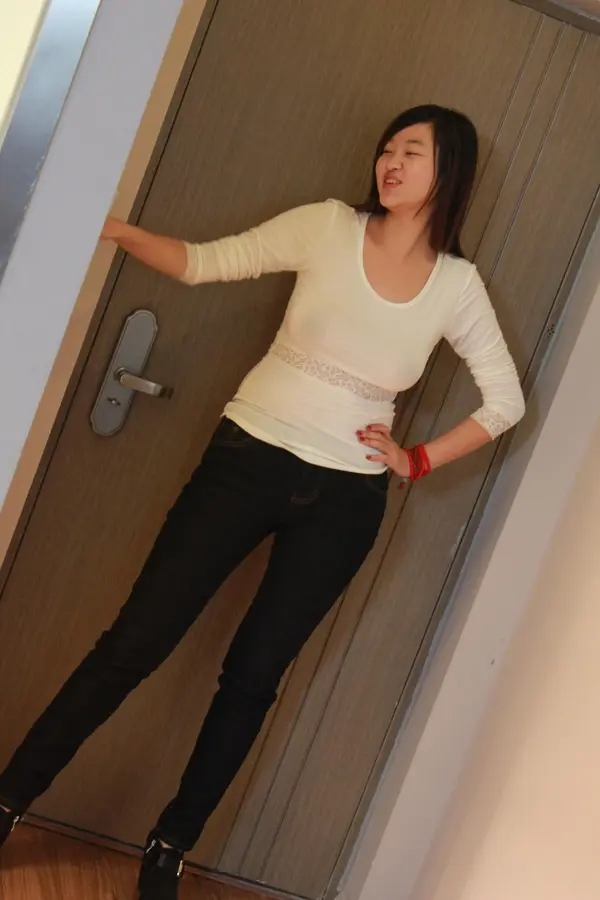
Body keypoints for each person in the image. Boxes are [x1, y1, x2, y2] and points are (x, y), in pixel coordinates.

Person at [0, 105, 524, 899]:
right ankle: (11, 797)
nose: (390, 161)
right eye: (386, 148)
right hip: (245, 461)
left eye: (411, 151)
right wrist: (113, 229)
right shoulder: (327, 226)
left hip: (345, 502)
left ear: (448, 169)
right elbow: (206, 263)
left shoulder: (458, 286)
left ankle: (170, 846)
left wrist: (416, 459)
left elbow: (505, 401)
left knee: (251, 678)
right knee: (134, 643)